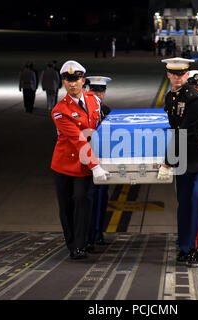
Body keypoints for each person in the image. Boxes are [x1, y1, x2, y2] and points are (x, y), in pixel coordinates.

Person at [157, 58, 198, 267]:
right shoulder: (170, 98)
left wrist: (167, 163)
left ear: (186, 75)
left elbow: (183, 132)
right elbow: (174, 129)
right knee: (184, 203)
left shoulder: (195, 100)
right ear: (168, 75)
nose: (177, 77)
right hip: (184, 158)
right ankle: (184, 248)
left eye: (181, 74)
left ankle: (193, 248)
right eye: (173, 73)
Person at [51, 60, 110, 260]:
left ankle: (80, 245)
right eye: (68, 80)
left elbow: (101, 126)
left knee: (82, 202)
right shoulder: (60, 111)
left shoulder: (94, 100)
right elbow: (78, 139)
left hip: (85, 165)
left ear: (83, 80)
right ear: (63, 83)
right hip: (65, 165)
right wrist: (96, 166)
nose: (72, 84)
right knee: (67, 207)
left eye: (76, 79)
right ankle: (72, 243)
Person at [85, 76, 113, 251]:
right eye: (95, 91)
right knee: (89, 199)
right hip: (87, 161)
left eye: (101, 91)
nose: (98, 94)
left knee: (102, 198)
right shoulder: (84, 109)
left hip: (103, 162)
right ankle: (88, 238)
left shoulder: (107, 111)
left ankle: (98, 233)